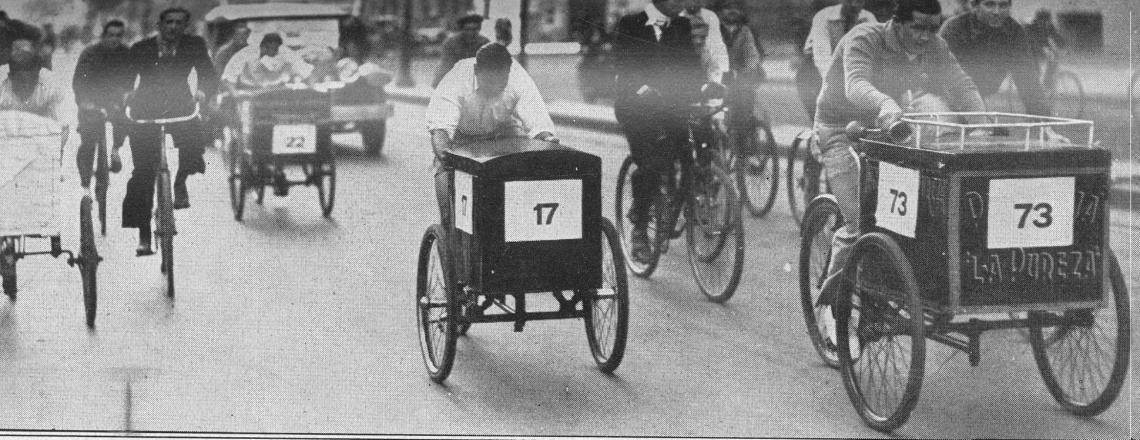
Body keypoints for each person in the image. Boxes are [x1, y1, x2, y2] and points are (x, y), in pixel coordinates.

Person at [812, 0, 985, 342]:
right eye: (918, 27)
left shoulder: (934, 45)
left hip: (891, 130)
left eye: (932, 28)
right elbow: (856, 84)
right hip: (841, 128)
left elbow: (961, 84)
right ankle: (833, 306)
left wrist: (980, 127)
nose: (926, 36)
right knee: (861, 221)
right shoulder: (865, 37)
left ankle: (905, 285)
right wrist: (886, 104)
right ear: (896, 22)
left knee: (916, 212)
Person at [426, 43, 557, 234]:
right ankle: (450, 230)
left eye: (501, 84)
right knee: (449, 197)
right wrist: (448, 157)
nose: (495, 90)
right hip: (463, 138)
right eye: (489, 84)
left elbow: (538, 122)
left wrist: (547, 140)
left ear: (509, 71)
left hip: (503, 132)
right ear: (476, 71)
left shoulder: (518, 78)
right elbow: (441, 132)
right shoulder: (457, 79)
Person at [611, 0, 705, 262]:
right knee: (650, 164)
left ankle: (672, 205)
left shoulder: (681, 25)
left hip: (668, 106)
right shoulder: (630, 24)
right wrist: (641, 87)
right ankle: (639, 229)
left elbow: (691, 66)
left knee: (691, 153)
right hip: (635, 108)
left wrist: (703, 87)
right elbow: (622, 65)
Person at [122, 7, 218, 255]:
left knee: (195, 142)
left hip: (180, 105)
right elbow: (124, 78)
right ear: (160, 24)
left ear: (185, 26)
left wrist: (204, 91)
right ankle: (143, 233)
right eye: (169, 22)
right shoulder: (140, 48)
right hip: (145, 109)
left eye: (179, 23)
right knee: (142, 173)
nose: (174, 27)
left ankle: (180, 181)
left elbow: (208, 74)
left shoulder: (194, 45)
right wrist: (125, 93)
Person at [939, 0, 1051, 117]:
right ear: (974, 6)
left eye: (1003, 5)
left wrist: (1045, 124)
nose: (996, 12)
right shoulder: (954, 28)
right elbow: (942, 77)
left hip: (977, 98)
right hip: (942, 96)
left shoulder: (1015, 32)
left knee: (992, 132)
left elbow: (1029, 82)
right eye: (989, 4)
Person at [73, 20, 132, 189]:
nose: (114, 39)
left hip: (115, 101)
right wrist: (84, 102)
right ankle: (85, 186)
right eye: (110, 35)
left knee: (125, 120)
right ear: (104, 36)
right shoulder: (90, 53)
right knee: (88, 142)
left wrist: (127, 94)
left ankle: (115, 150)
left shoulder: (127, 54)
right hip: (91, 102)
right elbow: (78, 81)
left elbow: (131, 80)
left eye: (118, 35)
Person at [804, 0, 877, 94]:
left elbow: (875, 51)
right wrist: (832, 82)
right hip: (813, 67)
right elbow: (821, 55)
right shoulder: (823, 16)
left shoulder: (868, 19)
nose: (854, 4)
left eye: (858, 1)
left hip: (846, 64)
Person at [720, 6, 768, 143]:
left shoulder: (745, 30)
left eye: (734, 8)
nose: (731, 11)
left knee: (743, 110)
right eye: (727, 7)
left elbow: (753, 54)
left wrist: (745, 70)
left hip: (745, 75)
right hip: (723, 74)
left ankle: (747, 148)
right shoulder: (715, 29)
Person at [0, 37, 67, 123]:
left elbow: (63, 126)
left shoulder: (50, 87)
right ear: (10, 76)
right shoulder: (2, 85)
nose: (25, 84)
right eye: (20, 81)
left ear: (37, 73)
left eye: (27, 66)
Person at [221, 33, 313, 91]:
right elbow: (230, 73)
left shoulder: (282, 51)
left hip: (275, 83)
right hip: (250, 83)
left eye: (276, 49)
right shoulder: (247, 53)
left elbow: (300, 64)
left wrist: (307, 76)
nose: (275, 51)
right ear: (264, 46)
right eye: (273, 49)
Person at [431, 14, 490, 88]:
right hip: (456, 78)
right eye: (467, 30)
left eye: (474, 29)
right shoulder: (451, 43)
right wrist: (439, 83)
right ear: (461, 30)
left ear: (478, 29)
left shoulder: (484, 43)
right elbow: (446, 64)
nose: (471, 33)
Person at [681, 0, 730, 85]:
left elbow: (716, 43)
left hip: (710, 63)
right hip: (691, 63)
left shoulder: (709, 16)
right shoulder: (679, 16)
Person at [1024, 8, 1066, 89]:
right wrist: (1044, 49)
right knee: (1036, 70)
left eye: (1047, 22)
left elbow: (1056, 36)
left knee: (1054, 59)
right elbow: (1033, 42)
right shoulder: (1030, 28)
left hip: (1041, 46)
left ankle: (1048, 83)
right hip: (1028, 48)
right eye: (1042, 22)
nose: (1045, 24)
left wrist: (1064, 47)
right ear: (1038, 20)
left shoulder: (1049, 26)